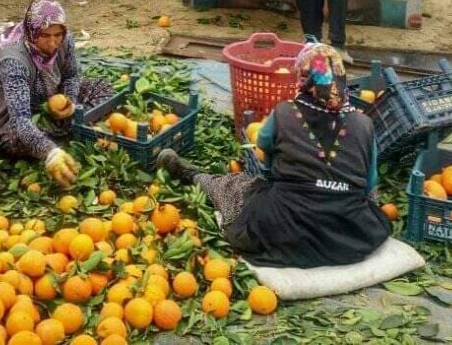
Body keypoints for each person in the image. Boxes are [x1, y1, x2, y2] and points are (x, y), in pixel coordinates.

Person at [158, 42, 389, 268]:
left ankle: (193, 174)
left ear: (302, 77)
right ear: (340, 76)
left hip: (284, 225)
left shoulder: (284, 113)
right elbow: (370, 185)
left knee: (234, 186)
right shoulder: (364, 123)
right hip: (346, 234)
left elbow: (265, 154)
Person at [0, 0, 113, 188]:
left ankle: (67, 128)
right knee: (23, 136)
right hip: (4, 123)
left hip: (44, 103)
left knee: (102, 88)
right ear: (32, 31)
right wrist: (50, 153)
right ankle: (59, 138)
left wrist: (69, 101)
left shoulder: (65, 40)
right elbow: (20, 120)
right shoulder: (13, 61)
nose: (53, 43)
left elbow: (71, 75)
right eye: (45, 36)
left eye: (58, 34)